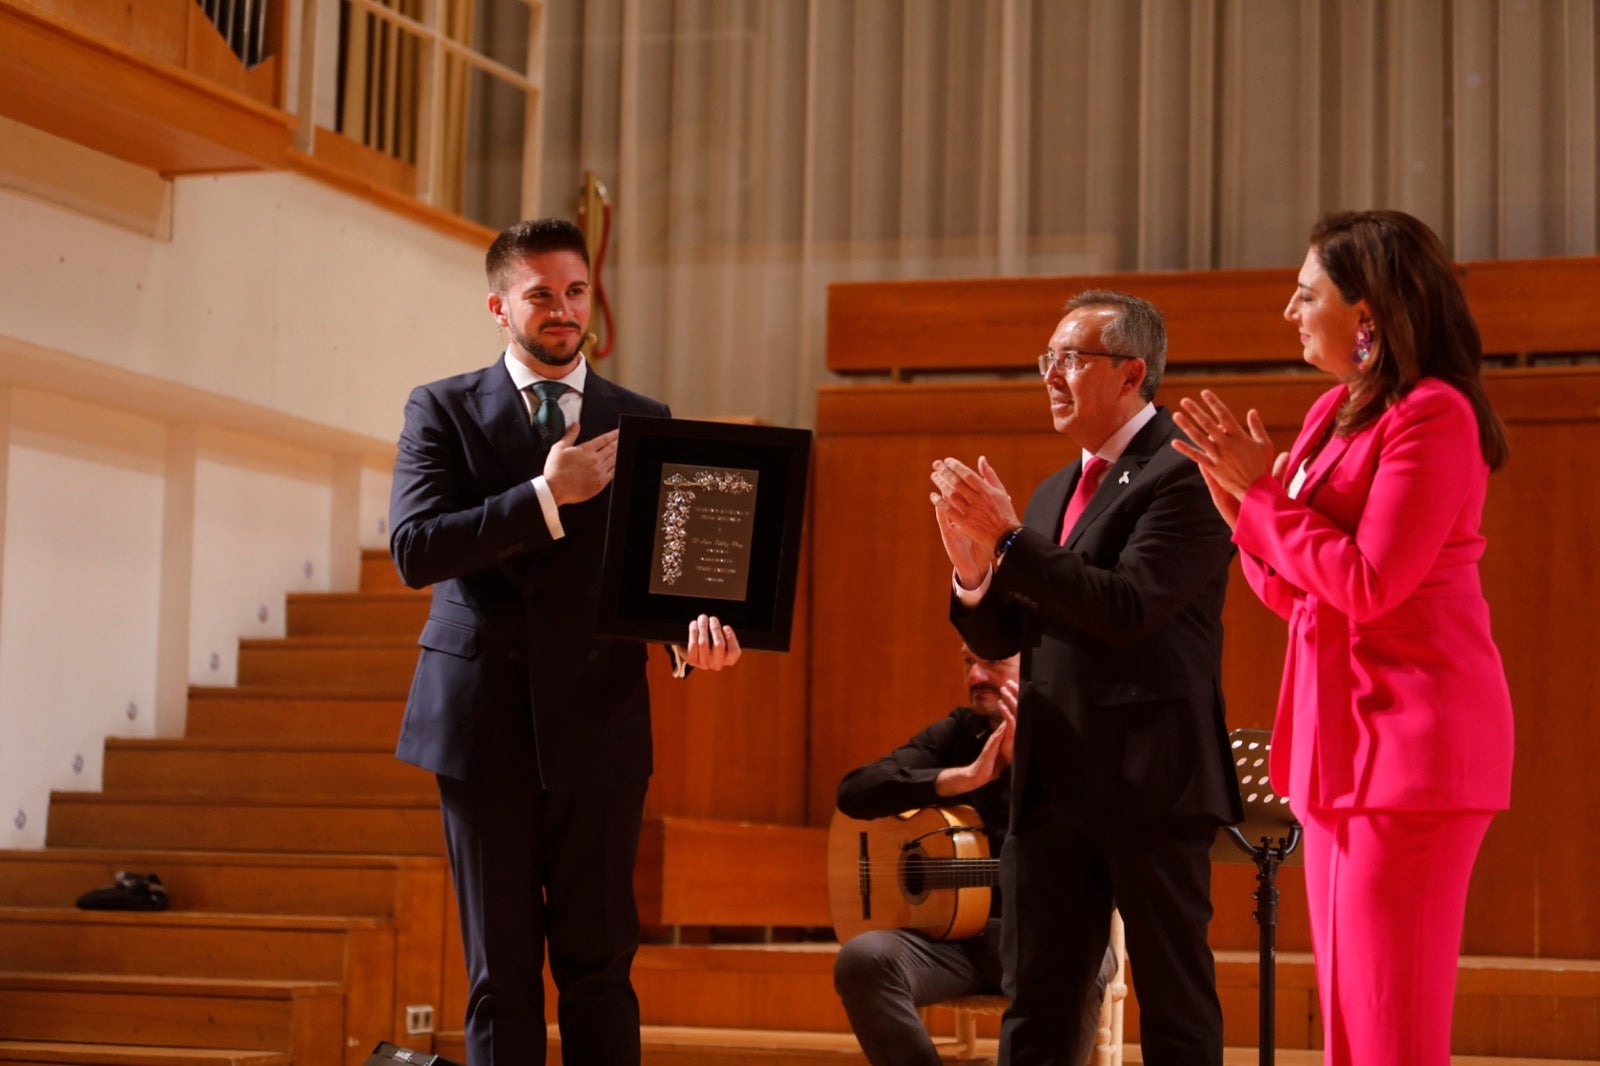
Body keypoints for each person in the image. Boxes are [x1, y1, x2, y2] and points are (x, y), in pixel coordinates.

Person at [388, 217, 741, 1065]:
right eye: (541, 294)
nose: (563, 310)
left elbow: (665, 576)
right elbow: (415, 548)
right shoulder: (440, 407)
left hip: (599, 720)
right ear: (498, 306)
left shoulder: (644, 418)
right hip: (482, 728)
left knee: (601, 970)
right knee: (499, 977)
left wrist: (692, 639)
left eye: (576, 291)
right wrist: (546, 497)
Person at [1170, 209, 1514, 1066]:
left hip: (1413, 746)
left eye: (1306, 294)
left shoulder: (1434, 415)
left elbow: (1370, 582)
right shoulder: (1333, 411)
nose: (1289, 311)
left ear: (1366, 313)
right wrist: (1242, 512)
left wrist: (1262, 501)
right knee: (1350, 1029)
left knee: (1391, 1026)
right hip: (1338, 752)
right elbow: (1301, 596)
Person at [928, 290, 1241, 1066]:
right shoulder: (1051, 492)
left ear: (1132, 373)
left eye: (1070, 359)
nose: (1050, 376)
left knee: (1174, 1004)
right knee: (1037, 1005)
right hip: (1053, 784)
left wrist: (1009, 541)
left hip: (1152, 782)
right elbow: (1006, 634)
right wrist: (975, 576)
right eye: (1047, 359)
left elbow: (1127, 607)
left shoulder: (1187, 472)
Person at [832, 644, 1114, 1066]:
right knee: (862, 959)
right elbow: (855, 792)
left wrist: (1028, 769)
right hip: (954, 943)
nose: (975, 677)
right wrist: (962, 778)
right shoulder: (958, 733)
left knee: (1078, 961)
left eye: (993, 663)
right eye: (968, 661)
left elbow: (1105, 854)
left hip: (1052, 939)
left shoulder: (1079, 735)